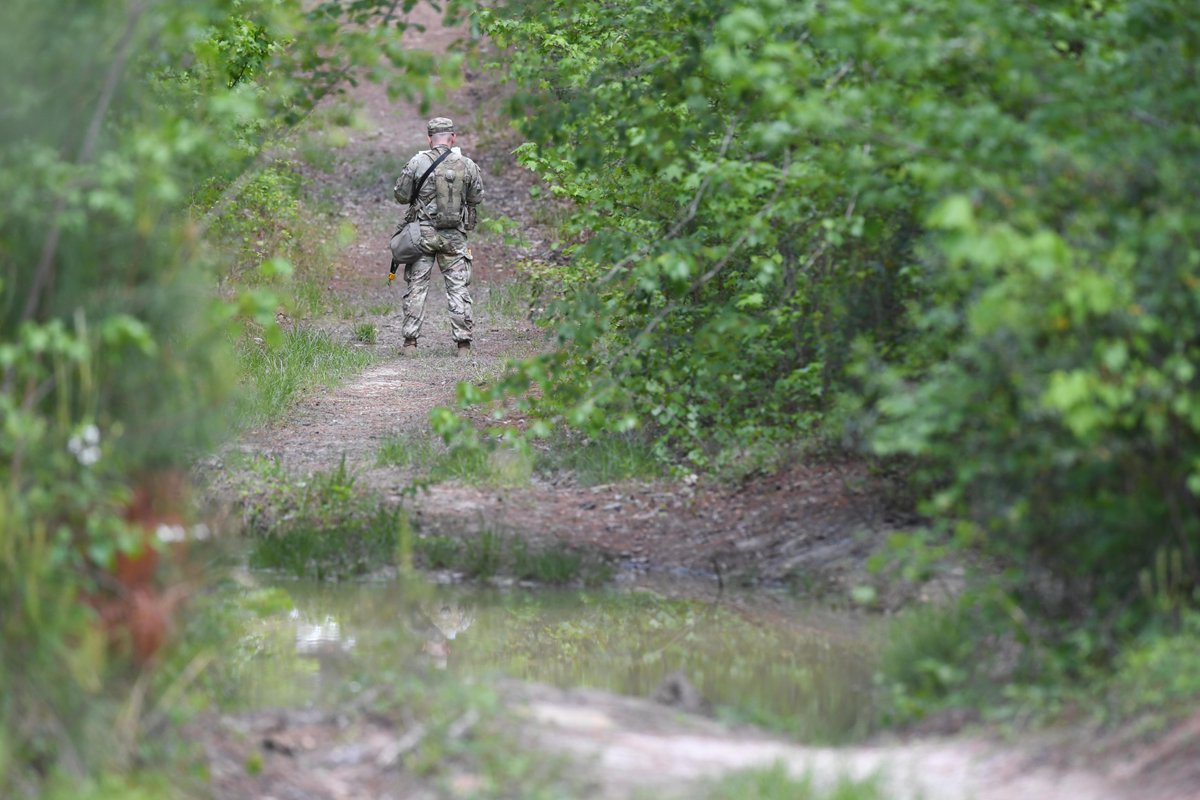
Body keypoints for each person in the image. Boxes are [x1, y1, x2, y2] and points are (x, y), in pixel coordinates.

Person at [393, 116, 485, 355]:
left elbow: (401, 196)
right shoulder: (467, 164)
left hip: (422, 235)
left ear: (429, 139)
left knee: (417, 286)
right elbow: (476, 197)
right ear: (453, 137)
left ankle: (410, 343)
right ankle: (463, 344)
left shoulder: (417, 162)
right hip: (454, 237)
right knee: (457, 288)